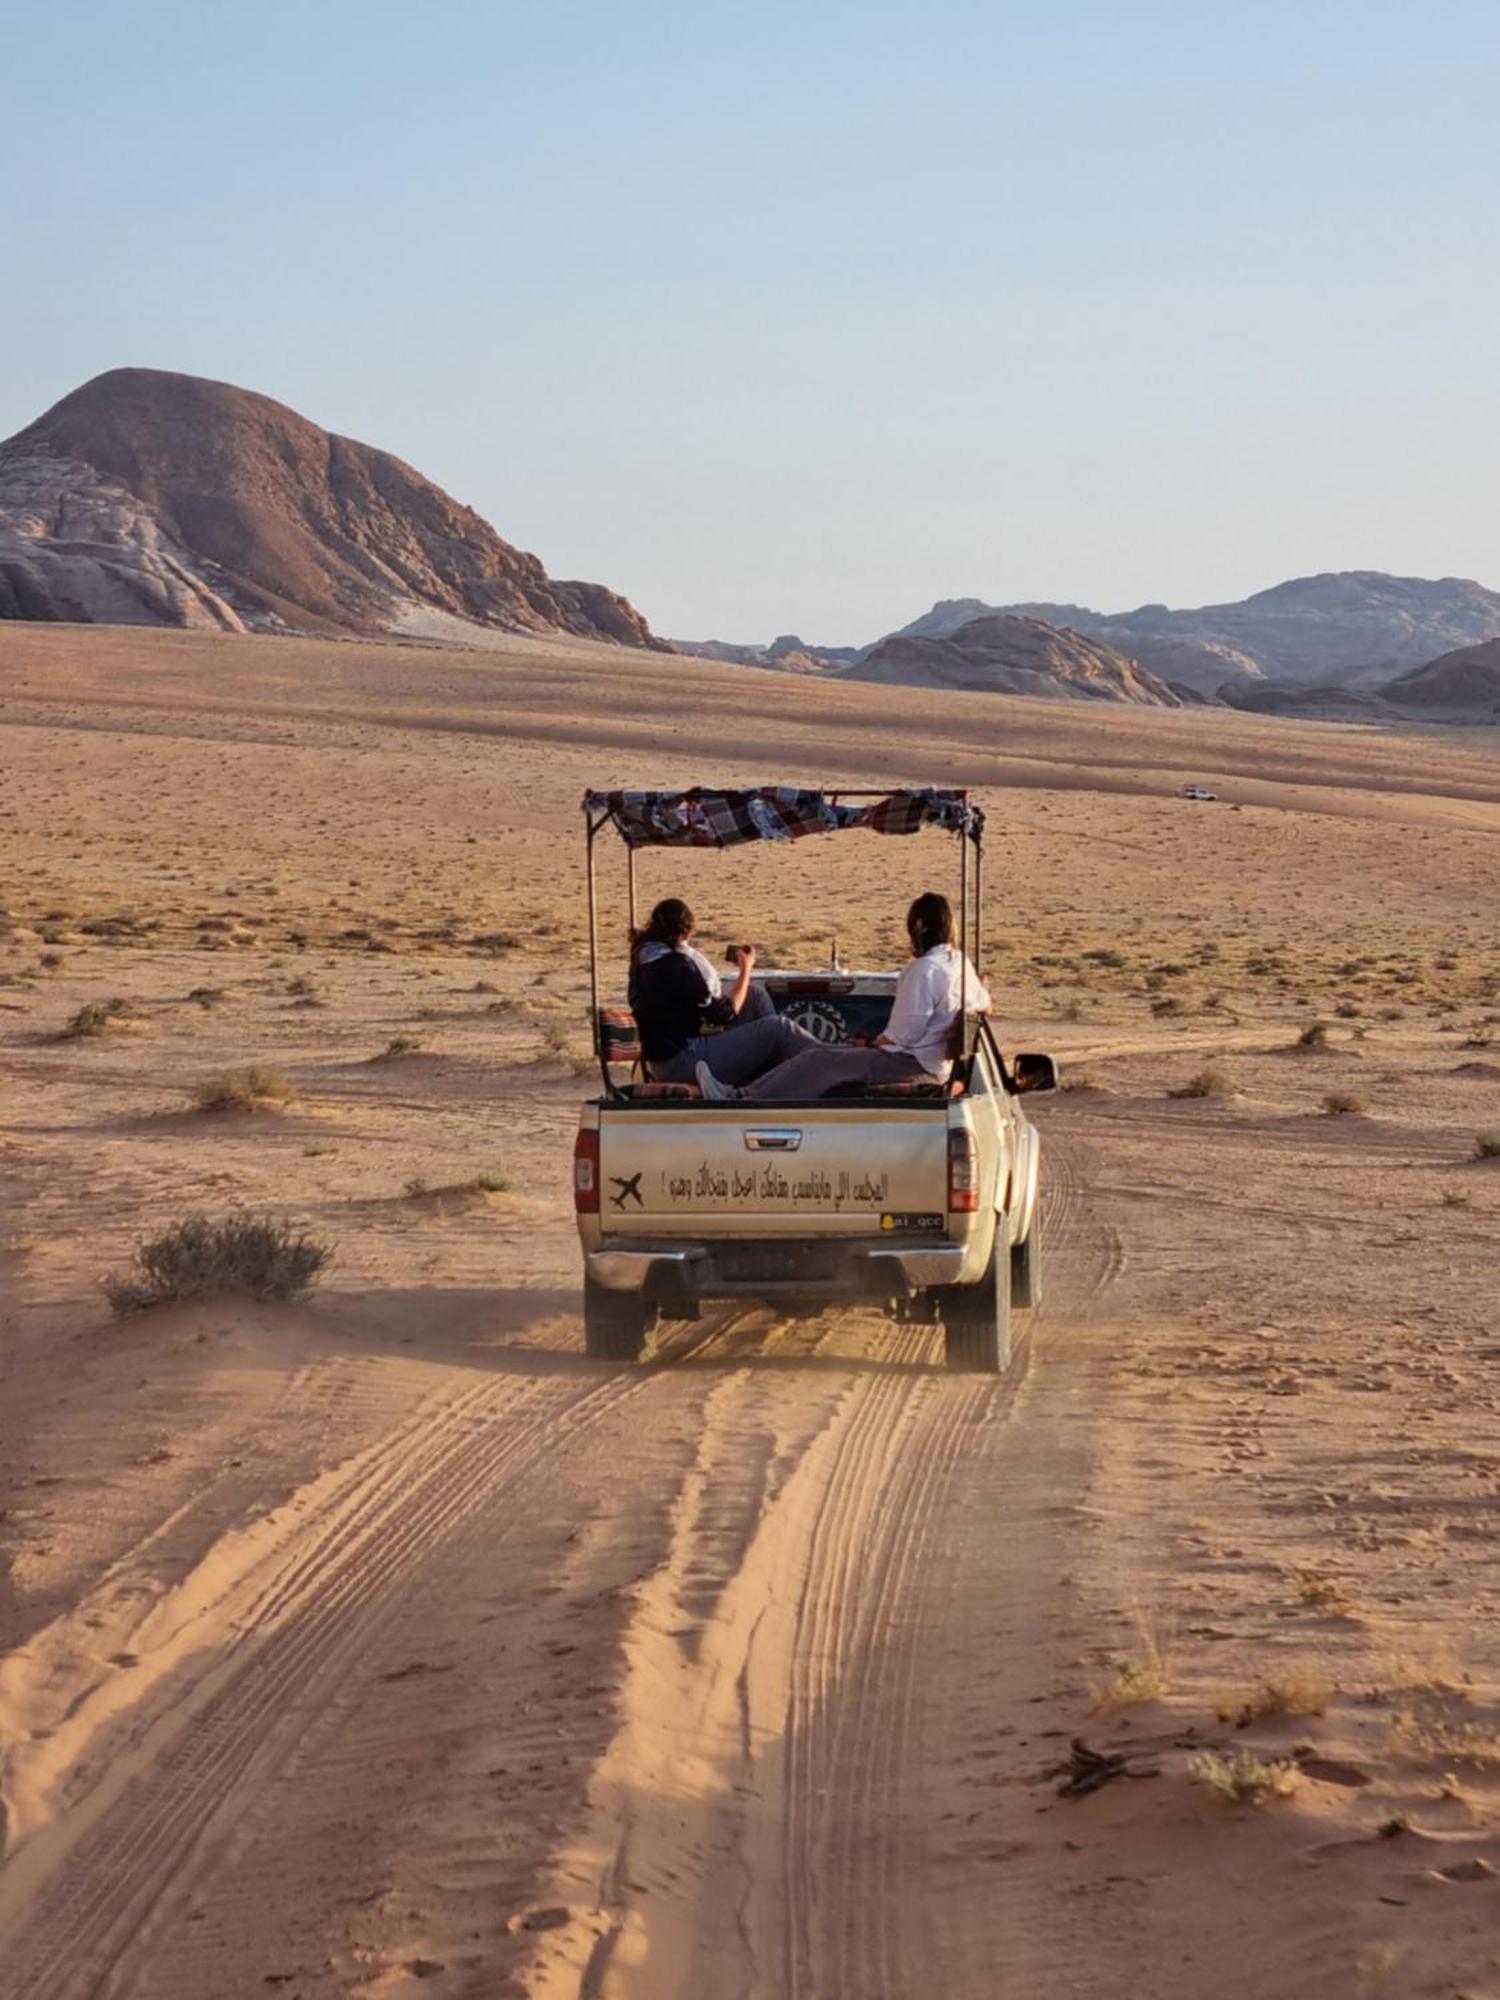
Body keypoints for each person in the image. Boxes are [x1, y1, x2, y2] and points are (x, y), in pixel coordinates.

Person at [697, 890, 990, 1101]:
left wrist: (872, 1042)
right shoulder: (960, 963)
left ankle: (739, 1098)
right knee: (818, 1054)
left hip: (913, 1064)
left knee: (820, 1061)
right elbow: (985, 1001)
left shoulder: (924, 970)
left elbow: (904, 1035)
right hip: (932, 1063)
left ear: (920, 927)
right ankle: (743, 1093)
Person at [629, 897, 816, 1087]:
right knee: (779, 1028)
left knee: (754, 995)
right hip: (682, 1061)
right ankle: (829, 1062)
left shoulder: (644, 959)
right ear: (684, 933)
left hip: (668, 1057)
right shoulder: (676, 966)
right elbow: (724, 1014)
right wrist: (746, 969)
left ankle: (773, 1077)